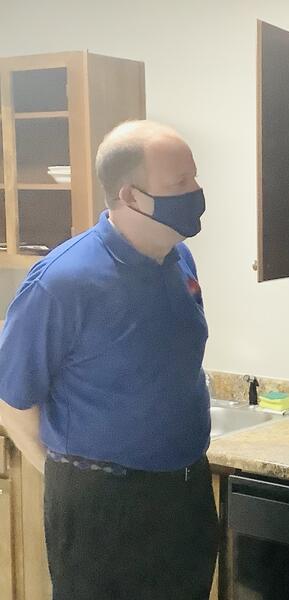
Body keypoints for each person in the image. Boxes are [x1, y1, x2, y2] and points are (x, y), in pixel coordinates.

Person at [0, 120, 218, 600]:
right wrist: (67, 480)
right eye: (180, 182)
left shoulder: (179, 259)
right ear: (131, 197)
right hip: (101, 510)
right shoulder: (62, 281)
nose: (196, 192)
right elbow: (12, 401)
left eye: (195, 177)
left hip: (185, 496)